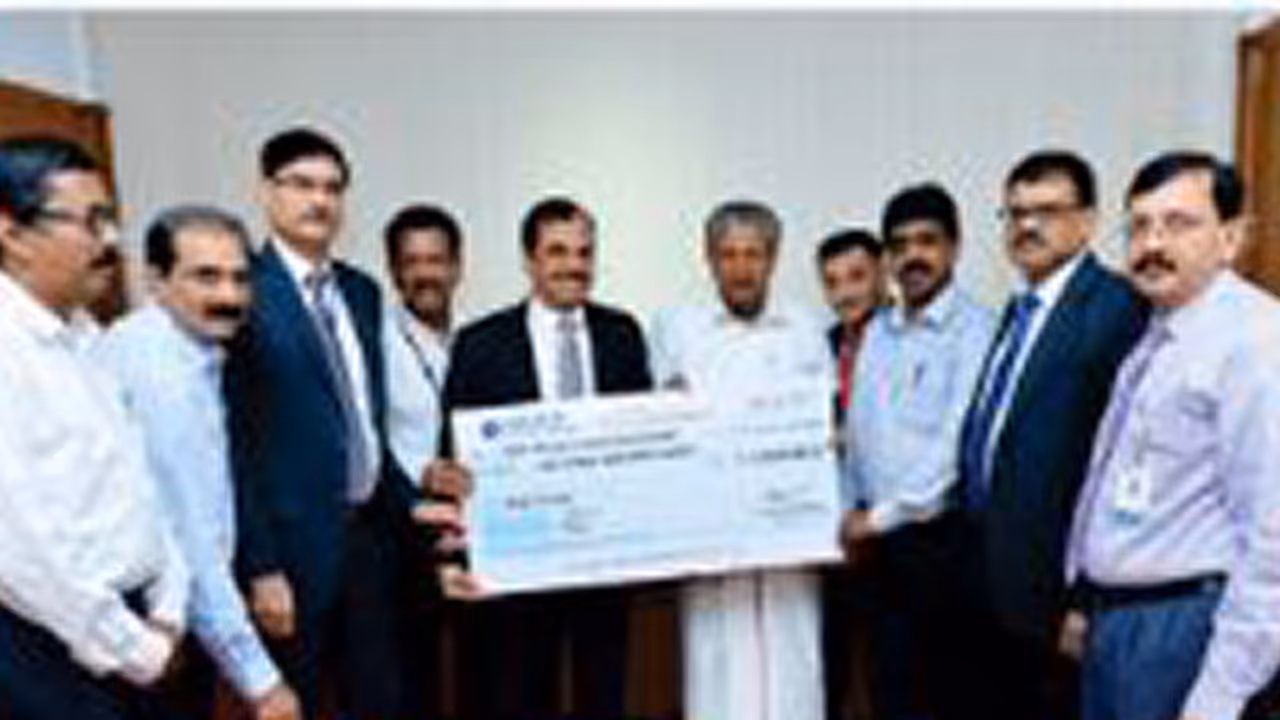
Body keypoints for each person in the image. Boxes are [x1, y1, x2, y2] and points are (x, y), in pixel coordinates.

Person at [224, 126, 459, 719]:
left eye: (332, 187)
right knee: (297, 705)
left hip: (370, 548)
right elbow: (235, 445)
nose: (320, 200)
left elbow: (365, 432)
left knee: (383, 702)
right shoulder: (243, 290)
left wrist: (417, 505)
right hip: (291, 557)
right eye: (302, 184)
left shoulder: (361, 292)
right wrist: (261, 566)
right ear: (267, 192)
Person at [1065, 151, 1280, 720]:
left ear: (1232, 239)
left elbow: (1273, 537)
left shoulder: (1256, 343)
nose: (1152, 243)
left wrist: (1220, 696)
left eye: (1178, 223)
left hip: (1185, 629)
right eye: (1139, 226)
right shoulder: (1159, 332)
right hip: (1120, 621)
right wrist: (1088, 599)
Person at [948, 150, 1147, 720]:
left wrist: (1084, 598)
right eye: (1015, 213)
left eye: (1047, 211)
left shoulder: (1116, 307)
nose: (1027, 226)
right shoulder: (1020, 310)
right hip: (992, 581)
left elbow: (1122, 461)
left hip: (1056, 595)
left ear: (1087, 221)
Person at [0, 136, 190, 719]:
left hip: (139, 630)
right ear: (11, 233)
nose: (111, 241)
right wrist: (138, 650)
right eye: (91, 221)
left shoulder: (87, 336)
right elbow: (22, 549)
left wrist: (170, 605)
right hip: (55, 655)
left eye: (111, 219)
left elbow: (142, 485)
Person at [442, 195, 652, 720]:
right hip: (519, 563)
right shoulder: (480, 344)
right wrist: (450, 555)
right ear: (529, 260)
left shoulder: (623, 335)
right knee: (521, 699)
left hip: (605, 559)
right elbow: (453, 461)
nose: (573, 266)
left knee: (604, 697)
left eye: (584, 252)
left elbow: (644, 445)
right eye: (558, 252)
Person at [101, 205, 301, 720]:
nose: (229, 296)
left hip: (162, 612)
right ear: (156, 280)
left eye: (240, 278)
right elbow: (193, 538)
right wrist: (262, 683)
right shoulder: (160, 376)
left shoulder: (188, 351)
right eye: (206, 277)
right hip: (140, 623)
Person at [650, 200, 832, 720]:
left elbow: (824, 424)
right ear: (709, 259)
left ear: (773, 258)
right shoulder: (676, 328)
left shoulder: (805, 328)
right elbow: (657, 429)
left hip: (790, 537)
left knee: (794, 664)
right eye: (728, 255)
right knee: (715, 669)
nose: (741, 268)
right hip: (710, 536)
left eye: (753, 254)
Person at [842, 183, 995, 720]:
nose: (913, 256)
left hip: (941, 549)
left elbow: (956, 445)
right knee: (889, 693)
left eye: (927, 241)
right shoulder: (877, 332)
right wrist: (850, 509)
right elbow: (858, 433)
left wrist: (878, 518)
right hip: (877, 552)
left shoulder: (976, 330)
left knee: (944, 697)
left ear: (954, 247)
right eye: (900, 245)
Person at [380, 202, 466, 717]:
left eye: (436, 260)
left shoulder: (477, 341)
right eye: (411, 262)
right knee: (416, 684)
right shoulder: (376, 344)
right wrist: (420, 474)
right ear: (394, 272)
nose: (425, 273)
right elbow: (365, 441)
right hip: (403, 537)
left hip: (470, 533)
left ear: (457, 266)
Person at [814, 226, 885, 720]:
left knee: (893, 674)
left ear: (882, 274)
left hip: (892, 536)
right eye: (832, 282)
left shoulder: (908, 340)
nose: (845, 293)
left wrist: (852, 435)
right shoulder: (822, 347)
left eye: (857, 277)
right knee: (831, 671)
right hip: (833, 540)